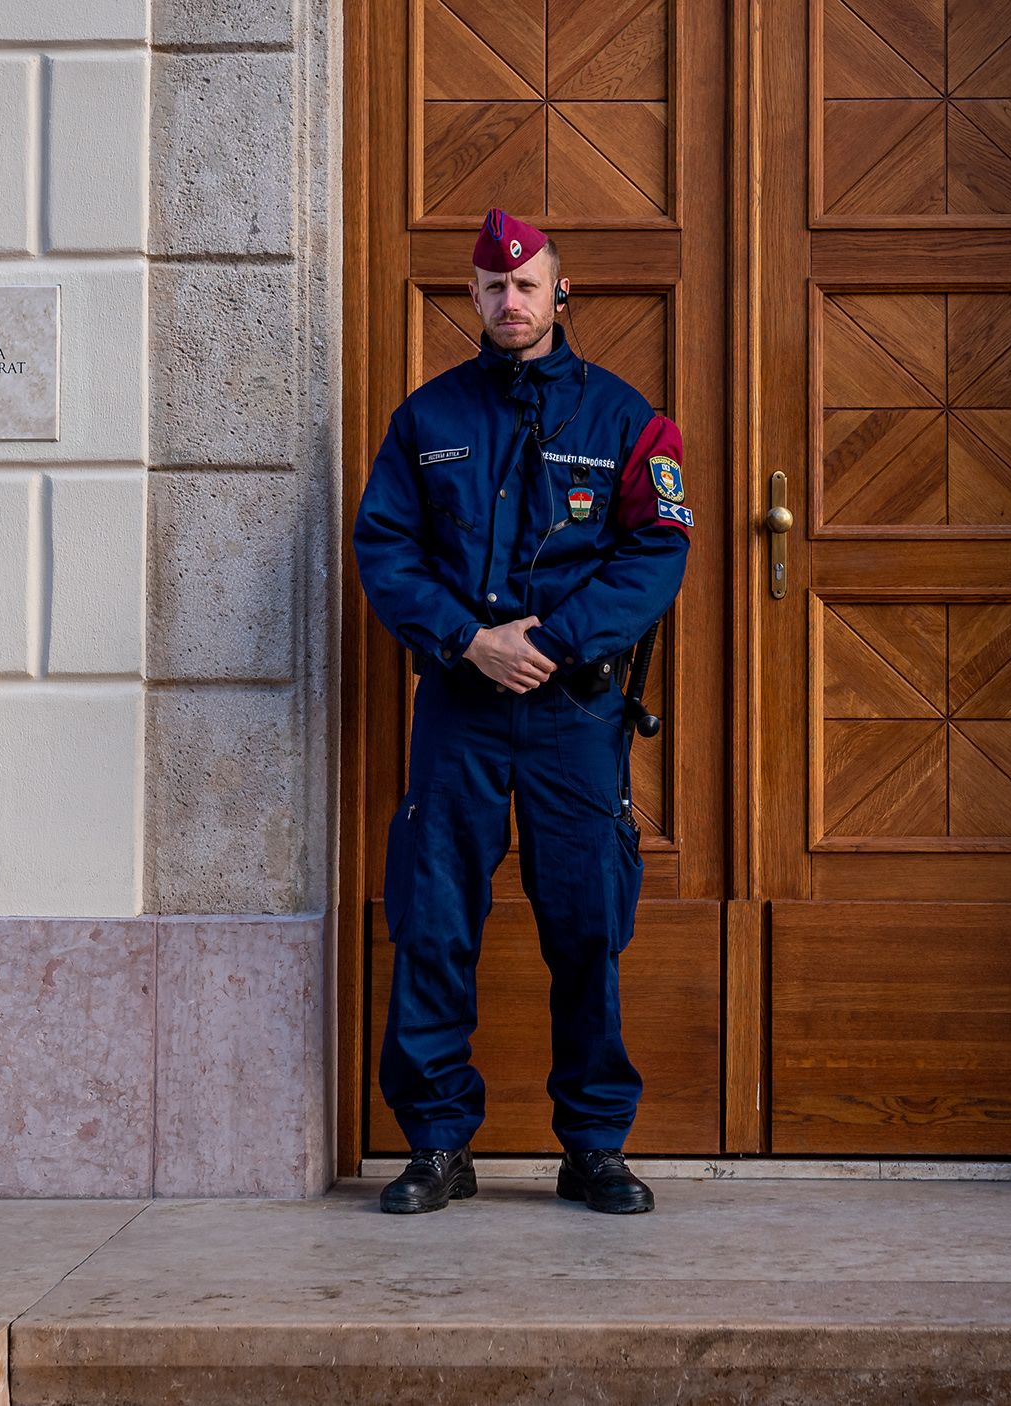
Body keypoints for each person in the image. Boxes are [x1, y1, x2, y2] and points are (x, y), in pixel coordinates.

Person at [353, 209, 694, 1215]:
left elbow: (657, 553)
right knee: (435, 921)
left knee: (585, 925)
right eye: (492, 287)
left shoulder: (627, 420)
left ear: (560, 292)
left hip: (571, 714)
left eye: (527, 285)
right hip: (459, 705)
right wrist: (469, 641)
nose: (510, 300)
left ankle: (592, 1145)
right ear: (473, 297)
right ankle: (438, 1144)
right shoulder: (427, 421)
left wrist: (548, 642)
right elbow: (386, 549)